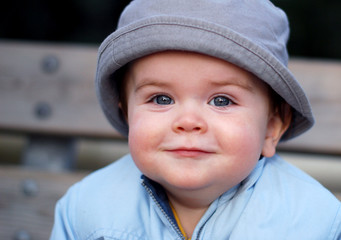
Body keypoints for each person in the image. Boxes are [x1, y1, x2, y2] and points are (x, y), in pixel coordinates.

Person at [50, 0, 341, 239]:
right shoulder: (88, 208)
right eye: (161, 99)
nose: (188, 121)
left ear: (272, 128)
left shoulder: (314, 221)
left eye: (222, 100)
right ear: (127, 113)